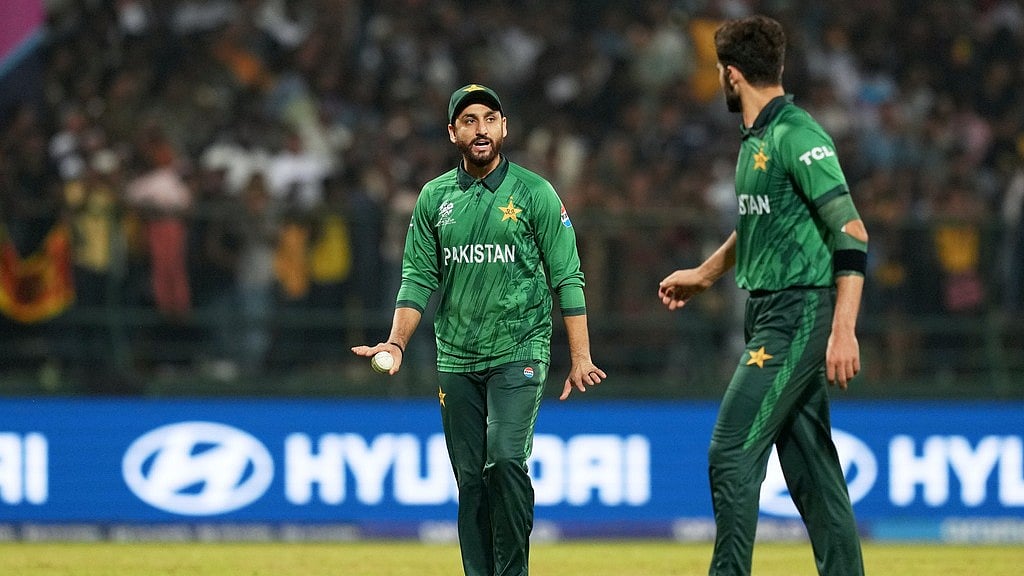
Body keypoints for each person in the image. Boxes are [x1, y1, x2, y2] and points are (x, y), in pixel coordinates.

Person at [352, 83, 606, 576]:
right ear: (453, 133)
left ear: (504, 127)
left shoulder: (535, 193)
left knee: (506, 462)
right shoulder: (434, 198)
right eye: (469, 120)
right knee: (471, 481)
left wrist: (580, 356)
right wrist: (397, 342)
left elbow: (567, 277)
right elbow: (417, 279)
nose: (481, 128)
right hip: (457, 358)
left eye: (490, 118)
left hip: (519, 351)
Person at [657, 16, 867, 576]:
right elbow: (759, 225)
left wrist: (842, 329)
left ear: (730, 75)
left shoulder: (797, 135)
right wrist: (705, 273)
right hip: (768, 310)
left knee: (730, 451)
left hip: (797, 313)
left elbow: (851, 231)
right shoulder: (759, 140)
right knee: (812, 473)